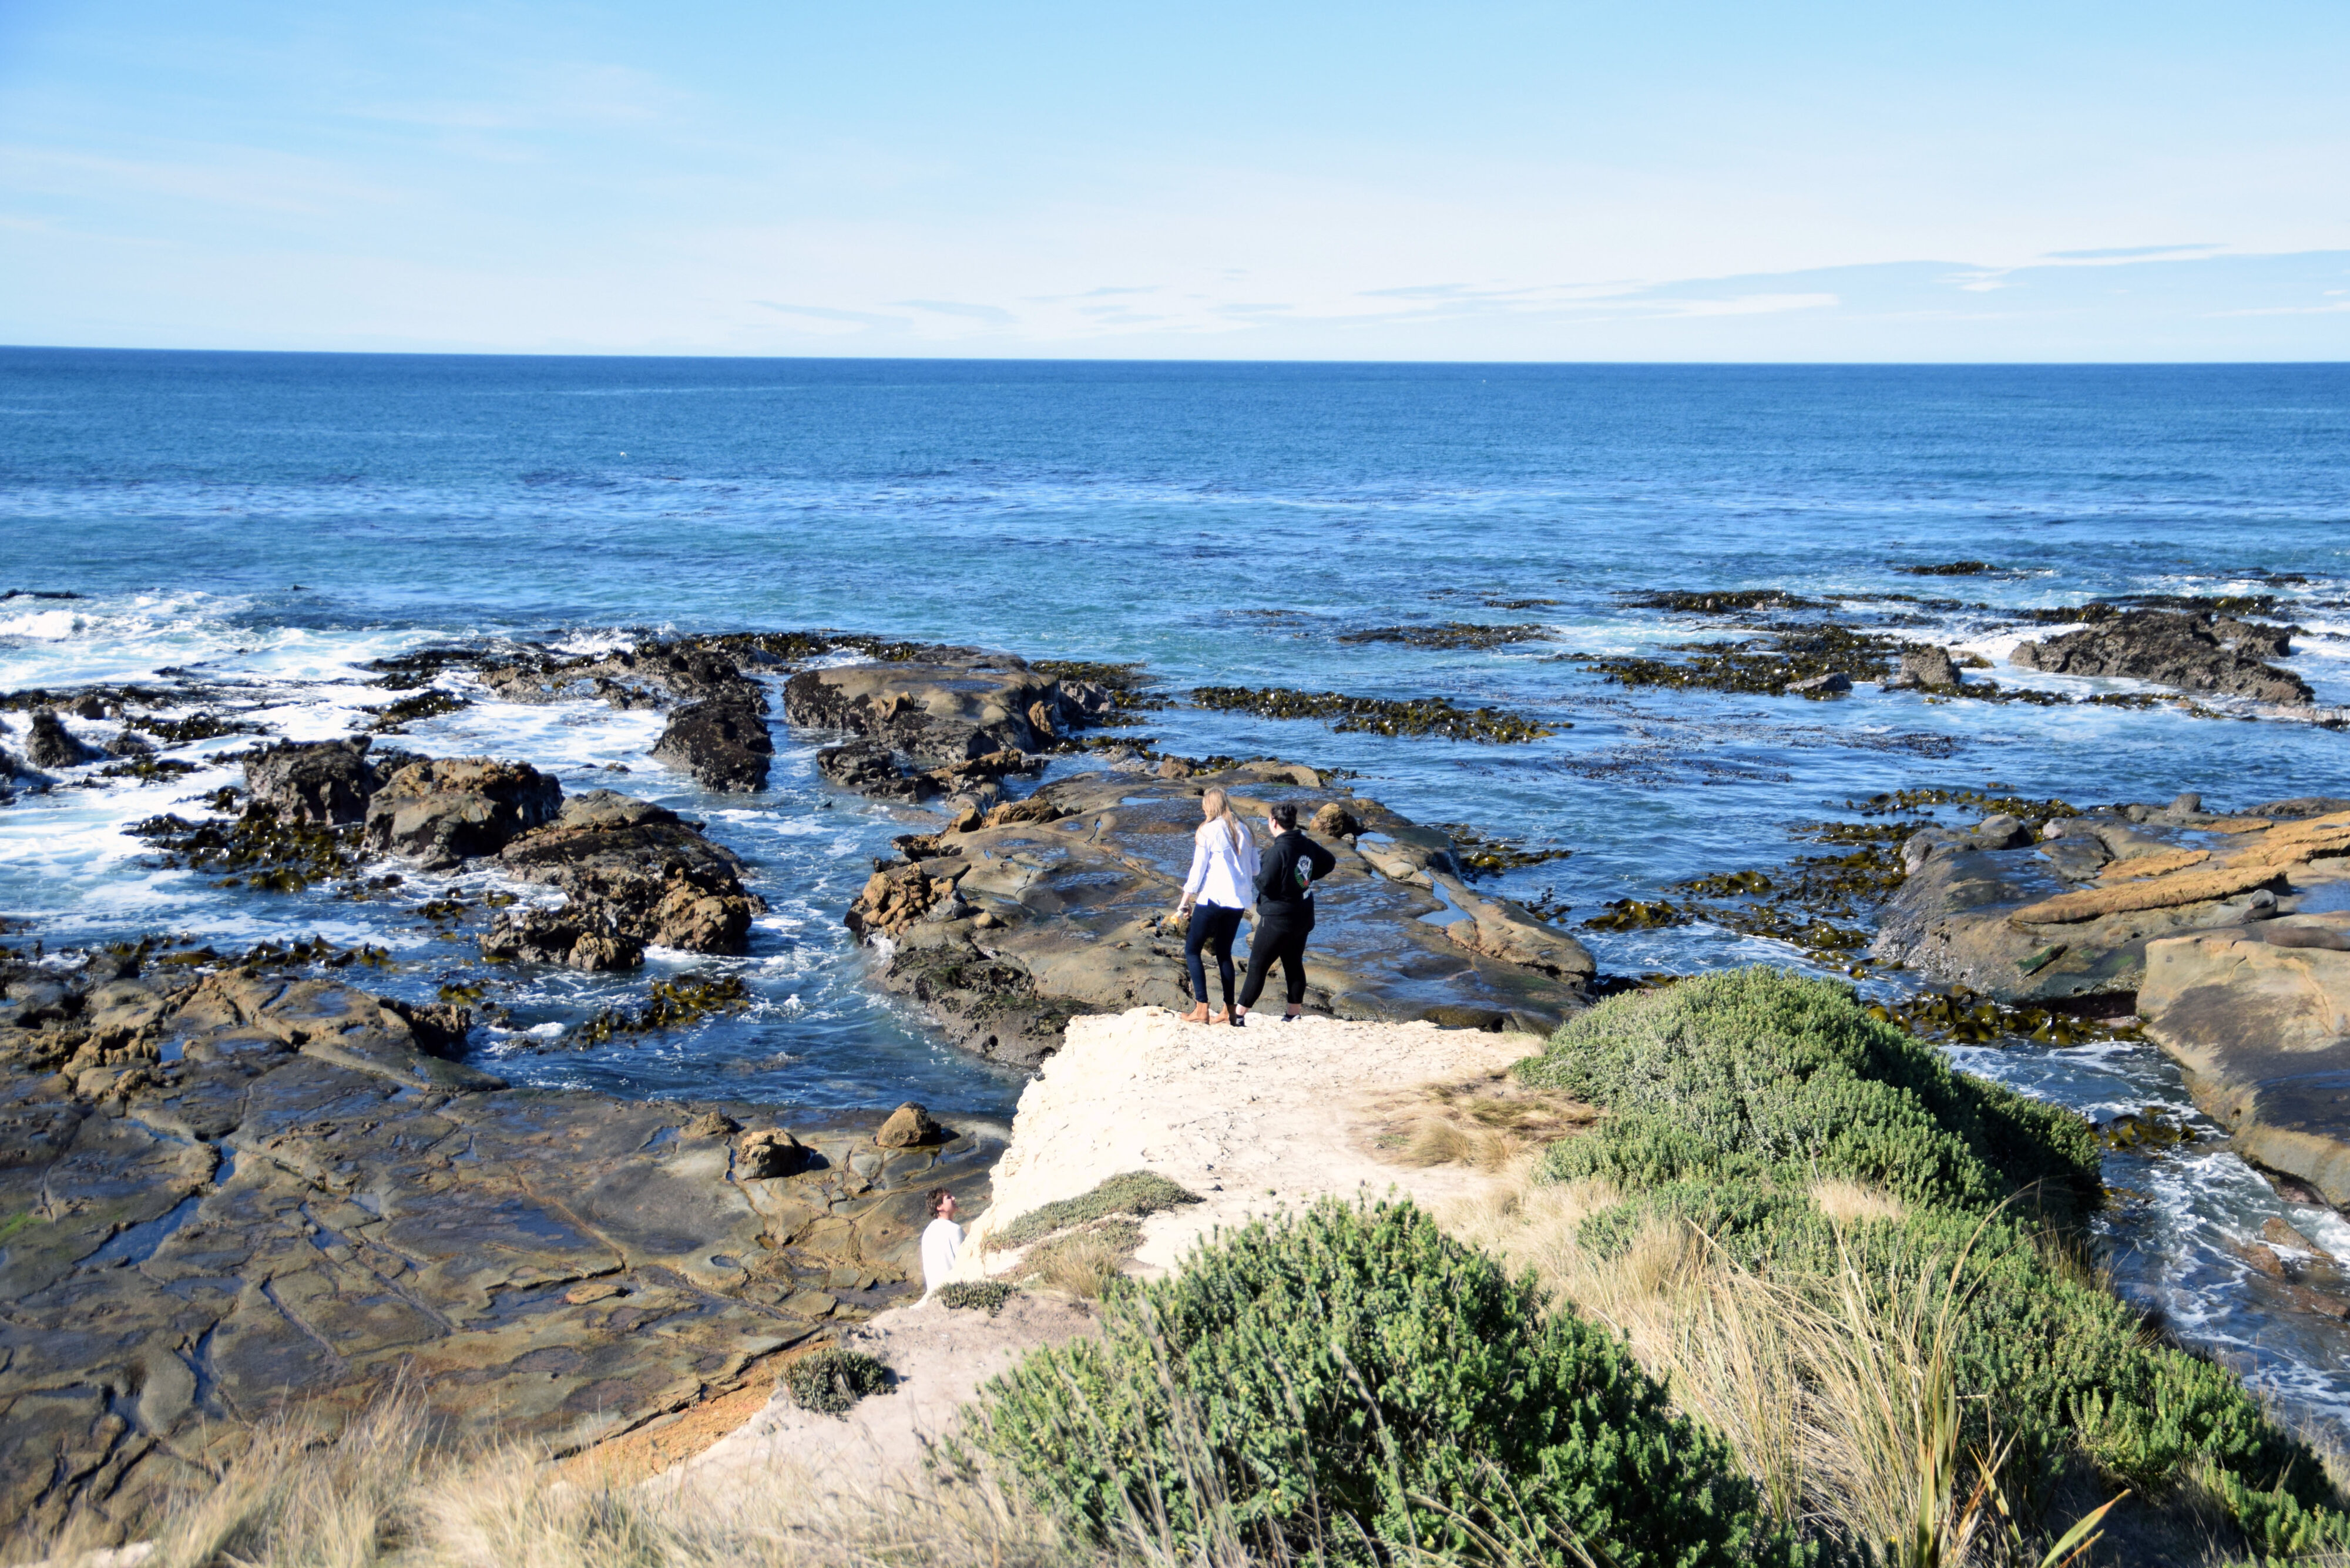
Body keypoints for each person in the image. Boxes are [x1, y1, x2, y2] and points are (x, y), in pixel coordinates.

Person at [1235, 800, 1337, 1025]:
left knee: (1257, 967)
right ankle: (1293, 1014)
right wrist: (1305, 878)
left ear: (1273, 822)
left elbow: (1265, 886)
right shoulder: (1305, 843)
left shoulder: (1276, 852)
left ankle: (1238, 1015)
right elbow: (1329, 861)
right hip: (1303, 915)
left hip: (1277, 919)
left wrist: (1254, 870)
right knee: (1293, 963)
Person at [1174, 786, 1259, 1025]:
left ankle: (1201, 1009)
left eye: (1204, 807)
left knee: (1192, 949)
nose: (1203, 812)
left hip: (1212, 899)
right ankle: (1229, 1011)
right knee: (1224, 953)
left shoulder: (1208, 830)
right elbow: (1255, 870)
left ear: (1210, 807)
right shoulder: (1246, 830)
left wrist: (1184, 902)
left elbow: (1197, 870)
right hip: (1237, 902)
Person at [920, 1187, 962, 1297]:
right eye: (948, 1198)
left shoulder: (928, 1231)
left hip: (934, 1292)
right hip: (954, 1289)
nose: (954, 1198)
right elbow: (965, 1260)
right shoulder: (954, 1229)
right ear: (939, 1207)